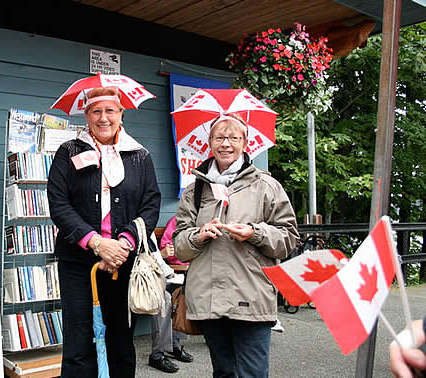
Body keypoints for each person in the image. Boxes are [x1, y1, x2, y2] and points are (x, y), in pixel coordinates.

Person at [173, 113, 299, 378]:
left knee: (252, 374)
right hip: (208, 298)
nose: (226, 143)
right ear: (209, 142)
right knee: (223, 372)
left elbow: (287, 239)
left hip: (251, 296)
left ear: (245, 143)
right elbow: (180, 247)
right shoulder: (194, 190)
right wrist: (199, 235)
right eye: (219, 137)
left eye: (233, 137)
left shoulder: (267, 186)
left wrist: (255, 233)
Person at [47, 86, 161, 378]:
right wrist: (97, 243)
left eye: (110, 110)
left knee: (120, 337)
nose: (103, 117)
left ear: (121, 114)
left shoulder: (140, 155)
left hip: (124, 260)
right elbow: (59, 204)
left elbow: (150, 204)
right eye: (96, 111)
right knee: (80, 337)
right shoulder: (69, 152)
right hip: (79, 261)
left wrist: (124, 243)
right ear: (86, 115)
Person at [149, 232, 194, 373]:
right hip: (138, 279)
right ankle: (157, 354)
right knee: (165, 299)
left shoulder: (147, 230)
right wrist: (162, 256)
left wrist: (169, 272)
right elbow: (155, 256)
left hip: (157, 275)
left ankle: (175, 344)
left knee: (180, 293)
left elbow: (157, 257)